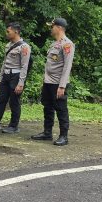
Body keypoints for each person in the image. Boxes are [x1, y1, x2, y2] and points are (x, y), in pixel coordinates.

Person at [31, 17, 75, 146]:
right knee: (47, 107)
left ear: (59, 28)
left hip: (58, 83)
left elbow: (67, 67)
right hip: (48, 82)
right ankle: (47, 133)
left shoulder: (67, 44)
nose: (51, 28)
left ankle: (63, 136)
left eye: (52, 26)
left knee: (61, 109)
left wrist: (62, 86)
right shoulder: (54, 44)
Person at [0, 22, 31, 133]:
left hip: (16, 75)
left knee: (14, 101)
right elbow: (4, 63)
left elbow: (24, 66)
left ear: (16, 32)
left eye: (9, 31)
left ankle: (13, 126)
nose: (7, 33)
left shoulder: (24, 47)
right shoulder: (8, 45)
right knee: (1, 100)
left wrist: (21, 82)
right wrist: (0, 77)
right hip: (6, 75)